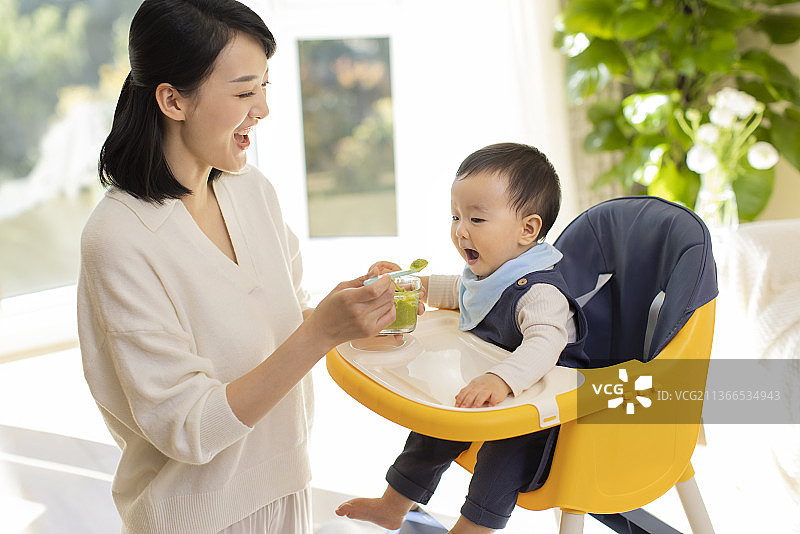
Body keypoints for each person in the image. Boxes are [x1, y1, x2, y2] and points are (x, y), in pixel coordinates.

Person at [77, 1, 398, 532]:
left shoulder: (251, 190)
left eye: (264, 86)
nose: (263, 108)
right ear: (173, 100)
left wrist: (352, 314)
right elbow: (188, 427)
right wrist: (320, 332)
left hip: (286, 486)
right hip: (194, 519)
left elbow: (286, 324)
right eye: (245, 92)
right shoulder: (119, 239)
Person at [336, 143, 589, 533]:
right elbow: (458, 291)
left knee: (502, 459)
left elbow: (544, 345)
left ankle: (471, 529)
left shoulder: (540, 293)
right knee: (431, 431)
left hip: (539, 408)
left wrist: (501, 378)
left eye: (476, 218)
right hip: (494, 394)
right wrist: (409, 285)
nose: (460, 230)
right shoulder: (492, 273)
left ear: (528, 229)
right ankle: (392, 505)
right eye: (455, 216)